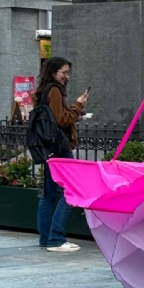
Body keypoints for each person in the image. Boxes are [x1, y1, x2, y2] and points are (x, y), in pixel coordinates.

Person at [34, 57, 89, 253]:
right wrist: (78, 105)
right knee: (71, 190)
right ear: (53, 72)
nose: (67, 76)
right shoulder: (55, 91)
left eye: (68, 73)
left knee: (48, 195)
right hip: (60, 148)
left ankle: (46, 239)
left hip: (48, 147)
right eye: (63, 72)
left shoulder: (43, 91)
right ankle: (56, 238)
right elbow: (61, 120)